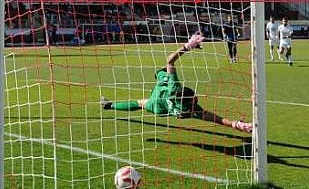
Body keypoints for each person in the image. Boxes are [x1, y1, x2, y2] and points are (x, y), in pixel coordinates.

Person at [100, 32, 253, 133]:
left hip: (160, 98)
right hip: (161, 107)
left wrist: (188, 46)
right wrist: (235, 124)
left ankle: (110, 105)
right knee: (145, 97)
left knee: (147, 93)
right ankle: (110, 105)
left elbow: (170, 60)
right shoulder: (191, 111)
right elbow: (216, 118)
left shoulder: (175, 88)